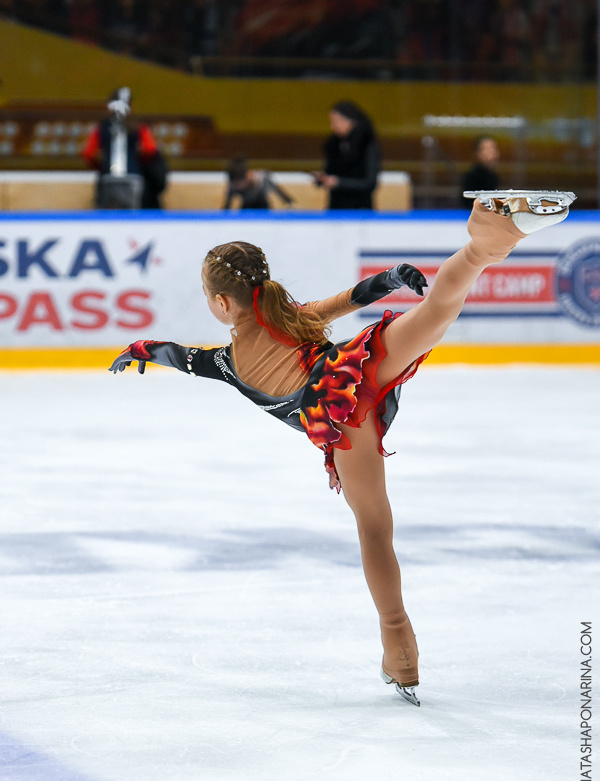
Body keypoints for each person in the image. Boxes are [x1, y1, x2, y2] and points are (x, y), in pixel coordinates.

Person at [108, 192, 572, 706]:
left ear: (221, 303)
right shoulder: (293, 316)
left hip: (342, 419)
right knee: (438, 309)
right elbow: (349, 299)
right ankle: (491, 241)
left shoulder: (230, 361)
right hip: (359, 363)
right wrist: (391, 279)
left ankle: (400, 647)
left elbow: (183, 356)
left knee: (374, 529)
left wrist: (141, 349)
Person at [81, 87, 168, 210]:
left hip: (108, 178)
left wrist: (103, 164)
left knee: (109, 215)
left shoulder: (102, 127)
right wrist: (137, 161)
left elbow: (88, 153)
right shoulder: (139, 126)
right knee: (132, 214)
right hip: (133, 178)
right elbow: (150, 150)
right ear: (131, 105)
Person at [313, 100, 380, 210]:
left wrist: (339, 183)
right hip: (336, 207)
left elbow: (370, 182)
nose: (333, 126)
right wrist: (323, 178)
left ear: (351, 121)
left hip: (360, 207)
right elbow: (331, 170)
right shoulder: (334, 144)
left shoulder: (366, 144)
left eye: (336, 121)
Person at [223, 156, 294, 210]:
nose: (238, 187)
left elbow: (279, 191)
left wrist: (289, 203)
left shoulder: (262, 179)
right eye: (235, 185)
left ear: (247, 175)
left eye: (239, 184)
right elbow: (227, 207)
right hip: (246, 210)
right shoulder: (234, 185)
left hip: (264, 209)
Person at [460, 136, 500, 209]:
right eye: (486, 149)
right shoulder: (472, 177)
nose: (491, 152)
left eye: (493, 148)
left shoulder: (493, 176)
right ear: (477, 153)